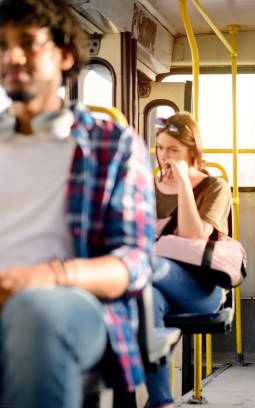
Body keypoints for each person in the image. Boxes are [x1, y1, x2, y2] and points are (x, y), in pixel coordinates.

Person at [0, 0, 155, 407]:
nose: (11, 56)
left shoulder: (112, 144)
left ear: (65, 56)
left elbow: (135, 262)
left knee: (34, 314)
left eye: (28, 44)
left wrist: (48, 276)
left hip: (72, 303)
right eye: (2, 46)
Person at [145, 112, 232, 408]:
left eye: (173, 150)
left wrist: (183, 185)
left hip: (200, 287)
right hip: (153, 281)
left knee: (142, 267)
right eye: (160, 148)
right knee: (147, 299)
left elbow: (195, 237)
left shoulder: (214, 187)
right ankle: (161, 401)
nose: (164, 157)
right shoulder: (149, 186)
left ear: (192, 152)